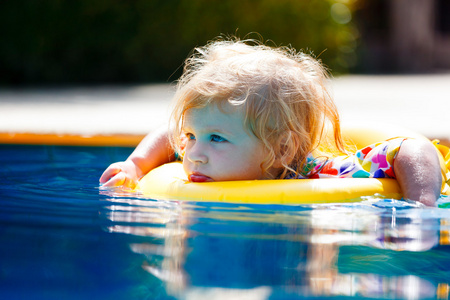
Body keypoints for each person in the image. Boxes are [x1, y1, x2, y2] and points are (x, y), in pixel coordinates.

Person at [100, 37, 446, 206]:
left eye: (216, 138)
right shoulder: (205, 154)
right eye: (192, 135)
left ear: (280, 148)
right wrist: (135, 165)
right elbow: (171, 134)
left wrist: (422, 206)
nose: (193, 154)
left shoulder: (323, 172)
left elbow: (412, 148)